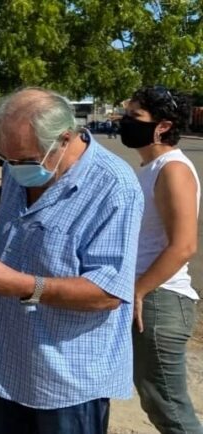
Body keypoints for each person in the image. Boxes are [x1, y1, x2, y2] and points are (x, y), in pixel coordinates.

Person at [0, 87, 144, 433]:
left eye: (22, 159)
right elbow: (11, 237)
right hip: (9, 360)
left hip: (67, 378)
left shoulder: (114, 186)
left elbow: (108, 292)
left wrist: (22, 286)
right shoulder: (17, 167)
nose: (12, 168)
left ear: (65, 139)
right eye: (3, 158)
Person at [121, 86, 202, 434]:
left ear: (162, 126)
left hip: (160, 299)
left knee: (168, 405)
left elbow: (183, 246)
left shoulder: (173, 169)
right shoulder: (149, 168)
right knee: (157, 400)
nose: (124, 122)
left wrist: (138, 291)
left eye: (135, 116)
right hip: (150, 297)